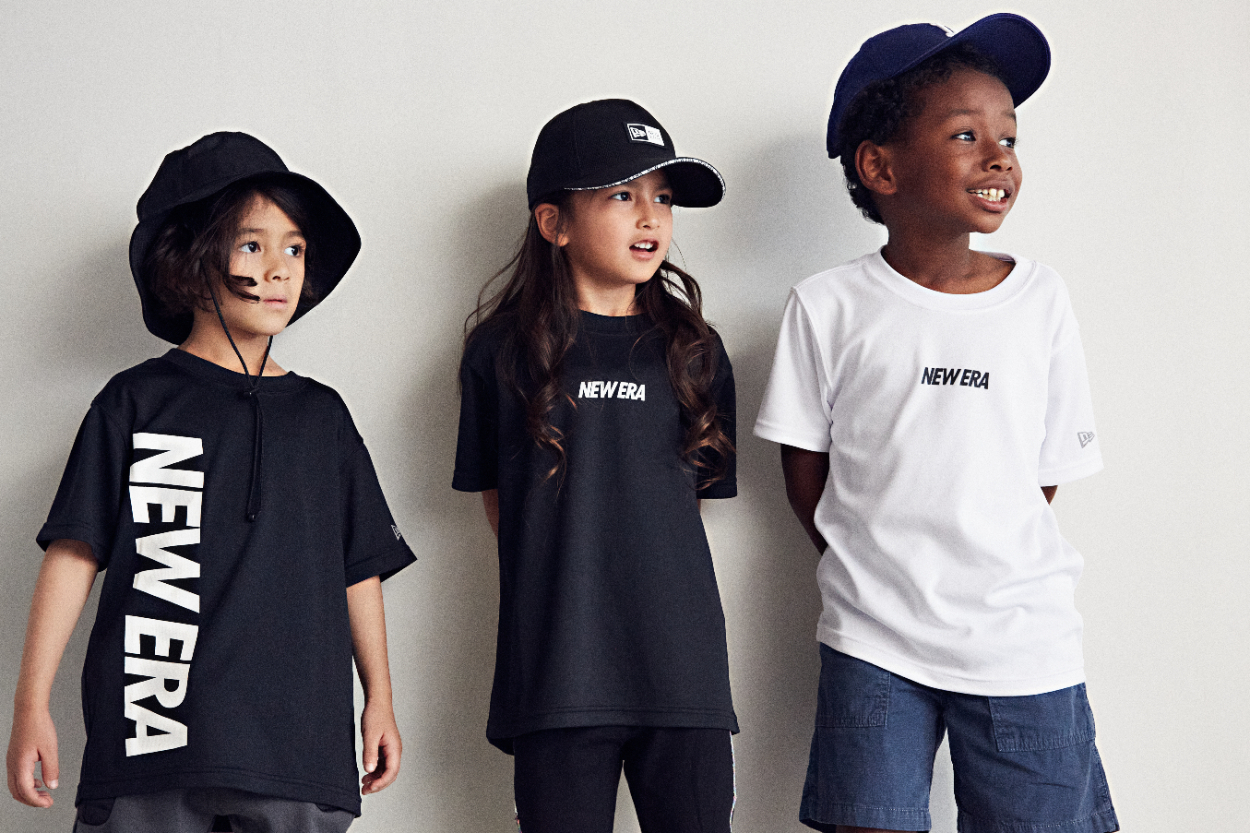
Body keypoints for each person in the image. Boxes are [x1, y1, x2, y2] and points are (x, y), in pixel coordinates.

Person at [753, 14, 1119, 833]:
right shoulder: (826, 306)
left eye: (1009, 137)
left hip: (1022, 642)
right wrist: (882, 567)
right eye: (965, 134)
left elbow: (1043, 473)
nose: (999, 157)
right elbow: (806, 471)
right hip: (873, 642)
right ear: (879, 166)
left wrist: (974, 556)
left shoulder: (1041, 299)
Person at [6, 132, 415, 833]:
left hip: (298, 751)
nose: (280, 269)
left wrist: (380, 697)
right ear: (189, 264)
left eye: (295, 249)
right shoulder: (134, 403)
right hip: (153, 743)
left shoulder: (324, 417)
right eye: (252, 245)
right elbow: (73, 552)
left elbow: (359, 569)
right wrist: (29, 704)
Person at [453, 99, 738, 833]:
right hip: (559, 674)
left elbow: (688, 502)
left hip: (683, 675)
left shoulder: (696, 351)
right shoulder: (500, 352)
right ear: (554, 222)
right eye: (622, 196)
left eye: (663, 198)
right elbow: (504, 504)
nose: (651, 217)